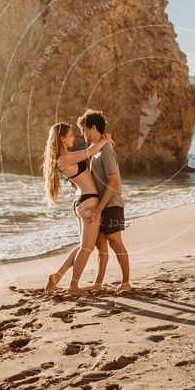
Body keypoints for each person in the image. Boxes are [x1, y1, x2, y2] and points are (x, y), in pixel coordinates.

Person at [42, 122, 112, 296]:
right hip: (88, 202)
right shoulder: (64, 159)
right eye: (71, 134)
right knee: (86, 248)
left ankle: (57, 276)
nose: (74, 137)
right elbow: (90, 152)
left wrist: (102, 142)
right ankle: (73, 287)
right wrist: (105, 139)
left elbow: (88, 153)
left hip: (82, 202)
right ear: (62, 138)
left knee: (83, 246)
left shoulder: (65, 158)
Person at [77, 110, 132, 293]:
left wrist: (100, 208)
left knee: (115, 242)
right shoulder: (99, 150)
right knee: (101, 244)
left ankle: (126, 283)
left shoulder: (107, 150)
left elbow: (114, 181)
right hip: (101, 204)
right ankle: (98, 283)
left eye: (84, 130)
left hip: (112, 204)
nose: (83, 134)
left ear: (93, 128)